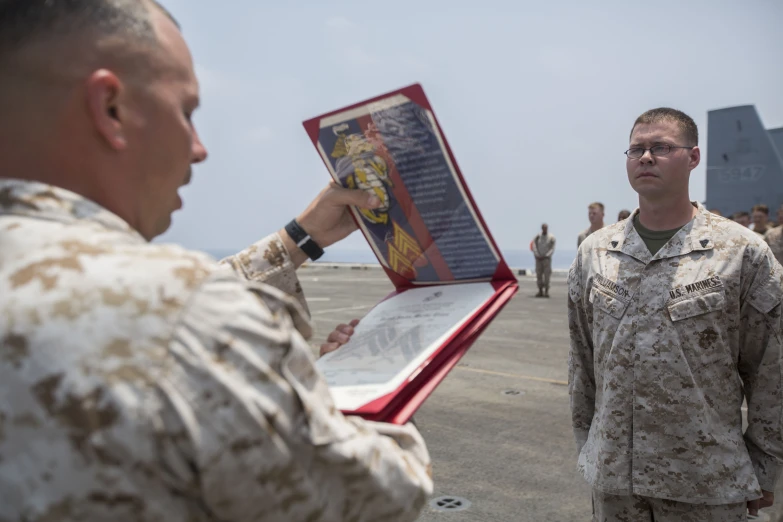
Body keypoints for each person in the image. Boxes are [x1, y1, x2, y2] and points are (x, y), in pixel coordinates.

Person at [0, 1, 432, 521]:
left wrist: (297, 239)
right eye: (185, 111)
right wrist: (376, 383)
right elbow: (376, 499)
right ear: (110, 108)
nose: (200, 148)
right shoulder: (187, 317)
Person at [567, 107, 783, 521]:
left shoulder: (741, 252)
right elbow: (582, 362)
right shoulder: (594, 253)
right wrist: (589, 447)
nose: (645, 157)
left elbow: (771, 369)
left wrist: (766, 466)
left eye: (661, 147)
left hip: (707, 484)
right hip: (616, 484)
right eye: (637, 149)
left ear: (694, 157)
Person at [531, 223, 556, 297]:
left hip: (546, 260)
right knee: (539, 275)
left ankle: (546, 291)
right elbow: (534, 246)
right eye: (543, 228)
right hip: (538, 259)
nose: (545, 229)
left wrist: (546, 255)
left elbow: (552, 248)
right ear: (541, 228)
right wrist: (537, 255)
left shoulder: (551, 237)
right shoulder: (537, 237)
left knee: (547, 275)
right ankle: (540, 291)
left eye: (546, 228)